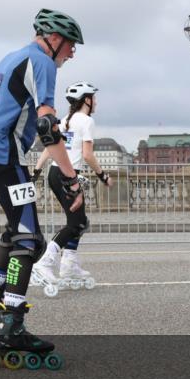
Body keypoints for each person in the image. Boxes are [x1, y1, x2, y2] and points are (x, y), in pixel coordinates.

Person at [0, 9, 85, 359]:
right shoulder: (42, 62)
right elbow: (48, 127)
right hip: (4, 153)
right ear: (54, 38)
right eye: (71, 44)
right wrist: (72, 179)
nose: (72, 53)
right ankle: (11, 325)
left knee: (16, 229)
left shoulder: (10, 57)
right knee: (30, 238)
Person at [31, 82, 114, 295]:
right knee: (76, 223)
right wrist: (103, 175)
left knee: (79, 222)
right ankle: (45, 262)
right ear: (86, 100)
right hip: (68, 175)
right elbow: (87, 155)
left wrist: (37, 170)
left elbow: (50, 148)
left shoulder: (64, 121)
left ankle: (69, 264)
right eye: (93, 98)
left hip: (55, 173)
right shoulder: (87, 121)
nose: (96, 102)